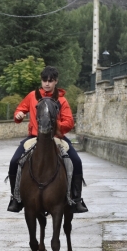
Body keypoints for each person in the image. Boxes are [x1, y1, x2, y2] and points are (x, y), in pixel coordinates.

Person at [7, 66, 88, 213]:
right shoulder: (32, 96)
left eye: (50, 81)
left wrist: (56, 126)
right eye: (44, 80)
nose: (47, 84)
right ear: (41, 81)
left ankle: (76, 199)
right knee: (14, 161)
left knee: (76, 161)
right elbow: (20, 109)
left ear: (56, 81)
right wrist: (18, 115)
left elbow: (69, 122)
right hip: (34, 137)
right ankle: (15, 198)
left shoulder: (61, 100)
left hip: (55, 138)